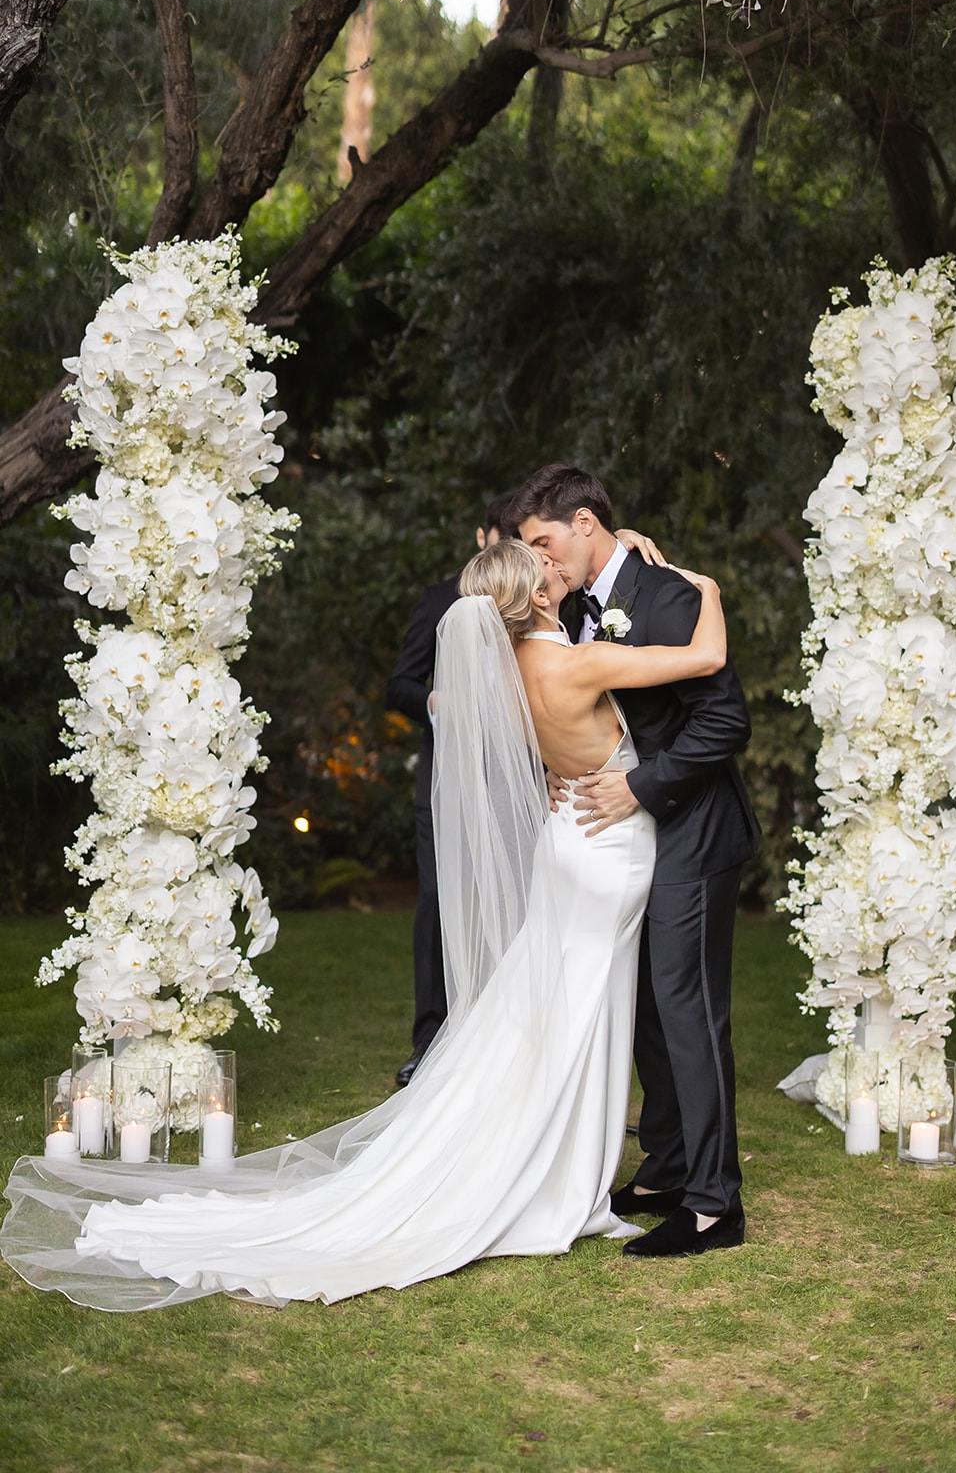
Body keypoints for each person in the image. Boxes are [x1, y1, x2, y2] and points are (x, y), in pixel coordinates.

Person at [1, 540, 727, 1309]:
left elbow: (546, 747)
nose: (556, 566)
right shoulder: (574, 663)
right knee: (580, 1012)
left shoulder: (508, 670)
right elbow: (703, 656)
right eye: (543, 565)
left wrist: (565, 767)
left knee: (555, 1006)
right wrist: (705, 587)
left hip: (567, 843)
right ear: (538, 598)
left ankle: (551, 1167)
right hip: (606, 850)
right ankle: (554, 1182)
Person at [510, 464, 761, 1258]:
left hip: (690, 827)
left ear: (585, 524)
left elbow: (725, 721)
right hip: (633, 836)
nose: (540, 565)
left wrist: (640, 788)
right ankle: (666, 1169)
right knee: (649, 1009)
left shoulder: (669, 595)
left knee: (687, 1010)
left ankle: (716, 1207)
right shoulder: (576, 608)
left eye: (545, 543)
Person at [386, 502, 669, 1087]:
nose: (545, 558)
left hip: (565, 822)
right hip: (590, 828)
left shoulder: (511, 649)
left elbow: (525, 722)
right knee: (568, 981)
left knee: (552, 977)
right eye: (530, 549)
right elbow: (704, 657)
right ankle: (525, 1095)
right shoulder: (556, 652)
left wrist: (549, 766)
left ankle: (512, 1094)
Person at [386, 491, 514, 1087]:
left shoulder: (539, 605)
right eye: (501, 537)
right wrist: (436, 702)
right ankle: (429, 1038)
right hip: (445, 779)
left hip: (523, 783)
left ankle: (507, 1034)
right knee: (440, 903)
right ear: (481, 537)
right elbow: (402, 682)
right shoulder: (441, 599)